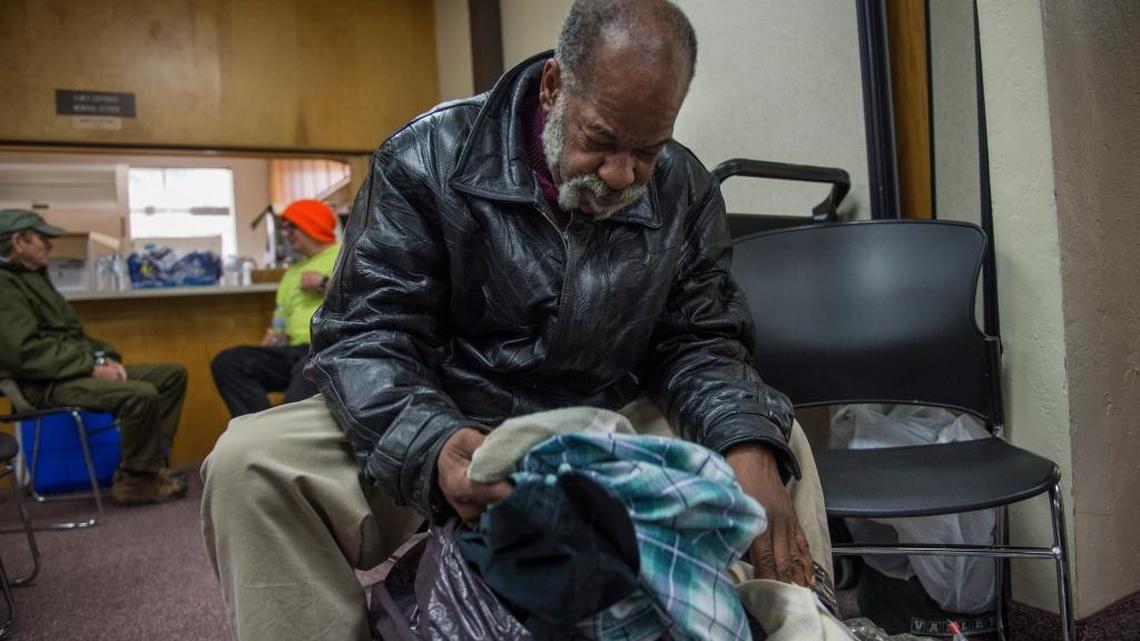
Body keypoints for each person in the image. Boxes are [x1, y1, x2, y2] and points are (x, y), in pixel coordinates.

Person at [202, 2, 827, 639]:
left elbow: (700, 341)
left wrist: (745, 445)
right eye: (602, 142)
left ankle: (803, 624)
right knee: (249, 465)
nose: (621, 175)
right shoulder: (424, 158)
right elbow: (366, 335)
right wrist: (431, 442)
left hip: (599, 414)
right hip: (446, 412)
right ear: (555, 88)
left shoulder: (685, 189)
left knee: (773, 445)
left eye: (647, 151)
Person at [0, 209, 189, 504]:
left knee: (171, 375)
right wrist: (91, 365)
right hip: (43, 384)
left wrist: (103, 357)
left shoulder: (34, 278)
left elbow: (71, 334)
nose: (50, 245)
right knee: (140, 395)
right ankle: (137, 481)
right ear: (18, 241)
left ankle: (146, 466)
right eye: (42, 238)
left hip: (70, 370)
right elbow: (26, 353)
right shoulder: (4, 285)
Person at [210, 199, 341, 417]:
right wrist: (275, 336)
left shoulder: (344, 254)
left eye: (292, 226)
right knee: (229, 363)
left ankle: (278, 432)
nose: (286, 233)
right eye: (284, 227)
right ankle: (262, 431)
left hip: (327, 348)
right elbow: (281, 316)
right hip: (293, 350)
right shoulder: (292, 272)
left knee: (294, 403)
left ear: (312, 225)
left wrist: (323, 283)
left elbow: (363, 296)